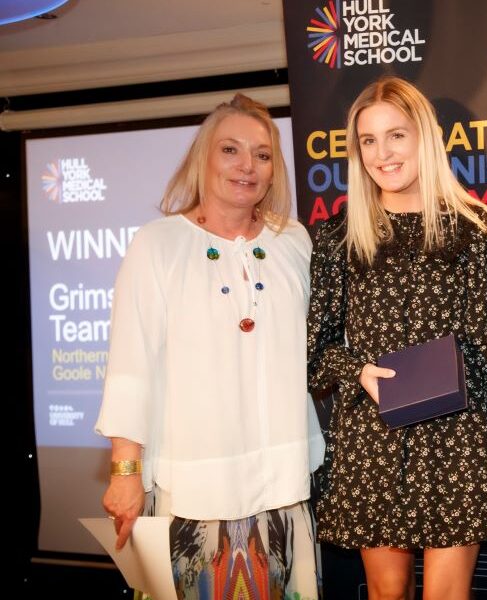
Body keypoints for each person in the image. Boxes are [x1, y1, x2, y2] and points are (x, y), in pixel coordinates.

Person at [96, 94, 320, 600]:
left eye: (262, 155)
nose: (247, 166)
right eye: (230, 150)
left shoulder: (296, 242)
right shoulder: (157, 244)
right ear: (203, 158)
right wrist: (125, 472)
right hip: (195, 496)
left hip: (283, 491)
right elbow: (131, 366)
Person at [307, 76, 487, 600]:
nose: (383, 153)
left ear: (423, 135)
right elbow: (316, 351)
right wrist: (357, 371)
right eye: (369, 141)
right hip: (375, 435)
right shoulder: (340, 236)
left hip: (459, 434)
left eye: (395, 135)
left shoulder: (474, 227)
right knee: (386, 592)